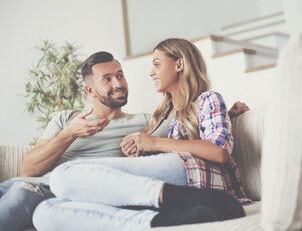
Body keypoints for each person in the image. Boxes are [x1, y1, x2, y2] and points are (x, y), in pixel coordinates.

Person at [0, 51, 248, 231]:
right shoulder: (65, 119)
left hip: (46, 192)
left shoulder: (146, 123)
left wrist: (227, 113)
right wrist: (69, 133)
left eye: (120, 75)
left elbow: (186, 126)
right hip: (21, 183)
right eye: (107, 79)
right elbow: (27, 169)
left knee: (23, 198)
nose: (118, 84)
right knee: (35, 208)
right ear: (90, 90)